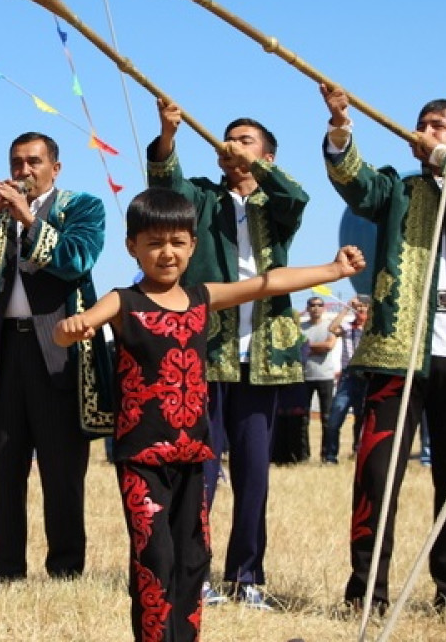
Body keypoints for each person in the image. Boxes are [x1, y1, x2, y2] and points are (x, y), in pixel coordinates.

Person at [54, 188, 365, 641]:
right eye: (154, 243)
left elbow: (266, 283)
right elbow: (77, 327)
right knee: (154, 558)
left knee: (194, 556)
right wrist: (71, 328)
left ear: (193, 246)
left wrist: (333, 270)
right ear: (132, 247)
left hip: (194, 455)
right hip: (142, 457)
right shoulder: (123, 301)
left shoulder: (202, 297)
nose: (167, 253)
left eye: (178, 242)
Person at [320, 85, 446, 615]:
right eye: (422, 124)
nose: (424, 132)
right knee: (378, 474)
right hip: (397, 351)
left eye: (438, 126)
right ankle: (367, 593)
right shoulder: (397, 188)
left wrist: (443, 158)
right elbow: (352, 180)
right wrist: (341, 126)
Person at [147, 99, 308, 606]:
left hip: (262, 355)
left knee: (254, 472)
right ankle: (197, 572)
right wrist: (168, 136)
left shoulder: (276, 207)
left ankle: (248, 575)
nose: (232, 146)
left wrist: (258, 170)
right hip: (206, 350)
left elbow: (295, 196)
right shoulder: (202, 197)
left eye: (246, 140)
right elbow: (165, 187)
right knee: (201, 468)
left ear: (267, 156)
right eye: (228, 139)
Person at [0, 131, 110, 583]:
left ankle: (65, 569)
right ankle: (6, 571)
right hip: (5, 352)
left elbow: (77, 259)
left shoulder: (83, 206)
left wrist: (29, 220)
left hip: (58, 353)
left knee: (61, 470)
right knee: (3, 468)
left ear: (55, 168)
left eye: (34, 162)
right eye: (17, 162)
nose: (24, 171)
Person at [322, 296, 370, 464]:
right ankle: (330, 456)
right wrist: (347, 308)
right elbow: (332, 327)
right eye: (360, 306)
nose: (362, 309)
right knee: (335, 416)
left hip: (366, 376)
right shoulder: (348, 327)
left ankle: (358, 452)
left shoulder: (371, 329)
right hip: (348, 376)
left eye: (365, 307)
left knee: (361, 418)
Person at [300, 297, 339, 461]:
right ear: (307, 308)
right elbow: (299, 347)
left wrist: (309, 347)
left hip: (325, 377)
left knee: (327, 418)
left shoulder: (330, 326)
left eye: (319, 305)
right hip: (305, 377)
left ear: (324, 308)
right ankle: (303, 455)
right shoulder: (300, 327)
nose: (316, 308)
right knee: (303, 418)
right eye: (312, 305)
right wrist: (317, 347)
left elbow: (329, 346)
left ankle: (327, 455)